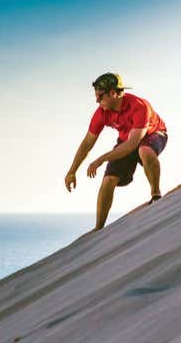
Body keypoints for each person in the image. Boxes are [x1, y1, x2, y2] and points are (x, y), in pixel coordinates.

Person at [65, 73, 168, 233]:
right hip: (127, 139)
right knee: (108, 180)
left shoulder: (139, 106)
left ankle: (156, 195)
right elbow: (87, 143)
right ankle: (98, 229)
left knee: (144, 150)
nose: (97, 101)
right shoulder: (101, 113)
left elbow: (133, 144)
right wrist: (72, 171)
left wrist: (101, 159)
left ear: (113, 93)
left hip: (152, 134)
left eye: (100, 96)